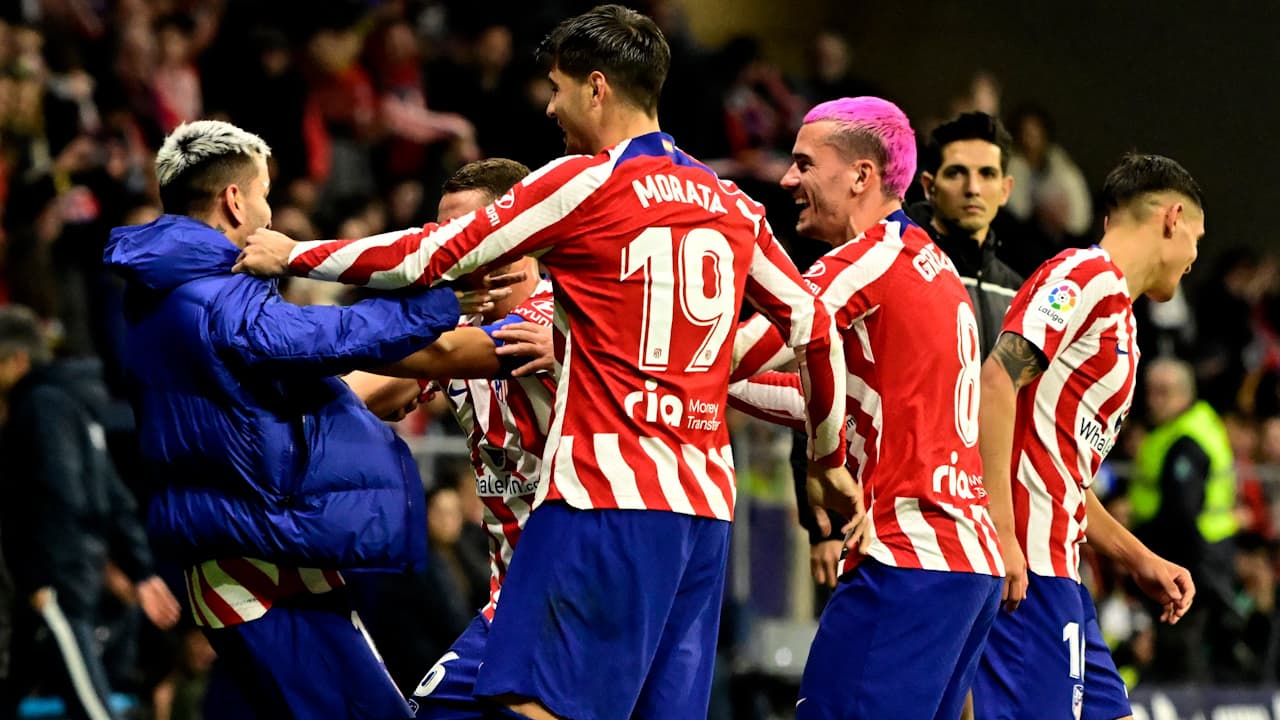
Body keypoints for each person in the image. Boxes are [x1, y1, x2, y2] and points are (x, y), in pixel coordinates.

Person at [233, 6, 855, 718]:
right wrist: (827, 457)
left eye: (558, 88)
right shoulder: (729, 202)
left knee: (529, 709)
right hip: (703, 511)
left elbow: (429, 259)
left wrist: (296, 255)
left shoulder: (588, 186)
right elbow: (811, 323)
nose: (551, 107)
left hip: (603, 501)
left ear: (597, 87)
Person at [102, 119, 466, 719]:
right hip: (251, 555)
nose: (270, 215)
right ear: (234, 200)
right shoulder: (212, 295)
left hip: (257, 544)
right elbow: (326, 337)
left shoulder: (163, 289)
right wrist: (441, 304)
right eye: (265, 194)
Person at [728, 97, 1005, 720]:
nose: (787, 179)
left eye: (804, 163)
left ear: (860, 176)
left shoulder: (865, 262)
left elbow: (749, 348)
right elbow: (817, 398)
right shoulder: (925, 261)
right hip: (963, 565)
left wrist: (611, 348)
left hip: (910, 560)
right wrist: (715, 386)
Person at [974, 153, 1202, 720]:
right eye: (1197, 239)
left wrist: (1139, 558)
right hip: (1026, 572)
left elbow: (1063, 474)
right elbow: (996, 381)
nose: (1195, 258)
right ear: (1172, 218)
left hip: (1063, 573)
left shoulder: (1122, 321)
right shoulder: (1084, 276)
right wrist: (1003, 531)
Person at [372, 157, 560, 718]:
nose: (447, 253)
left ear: (515, 235)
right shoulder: (458, 331)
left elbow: (433, 355)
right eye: (441, 237)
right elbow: (360, 389)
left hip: (573, 588)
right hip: (511, 596)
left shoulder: (557, 319)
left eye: (464, 236)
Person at [0, 305, 180, 720]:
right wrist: (140, 568)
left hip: (55, 580)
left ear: (18, 359)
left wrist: (43, 577)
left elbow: (60, 493)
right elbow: (113, 492)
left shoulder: (40, 405)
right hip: (59, 574)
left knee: (92, 708)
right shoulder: (69, 403)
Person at [1130, 357, 1237, 682]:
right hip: (1201, 554)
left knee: (1180, 650)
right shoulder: (1183, 427)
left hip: (1192, 558)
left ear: (1184, 393)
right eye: (1150, 391)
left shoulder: (1187, 441)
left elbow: (1180, 513)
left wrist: (1133, 536)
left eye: (1163, 392)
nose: (1153, 400)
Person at [910, 111, 1023, 359]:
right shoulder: (899, 271)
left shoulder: (1018, 294)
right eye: (956, 173)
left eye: (987, 174)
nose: (973, 188)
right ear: (929, 187)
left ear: (1005, 190)